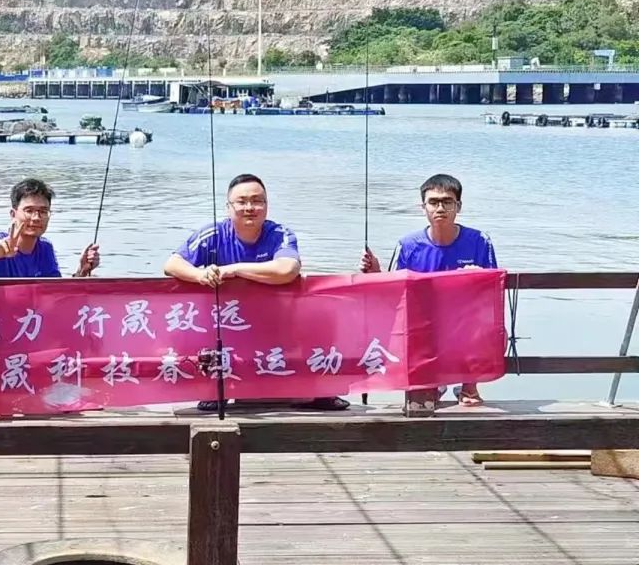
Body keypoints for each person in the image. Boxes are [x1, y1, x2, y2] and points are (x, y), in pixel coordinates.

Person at [164, 173, 350, 412]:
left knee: (322, 315)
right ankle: (216, 388)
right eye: (241, 202)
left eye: (257, 201)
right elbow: (172, 264)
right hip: (226, 320)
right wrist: (200, 275)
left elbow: (287, 269)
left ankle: (319, 390)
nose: (249, 208)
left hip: (276, 318)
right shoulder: (213, 234)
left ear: (266, 206)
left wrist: (233, 270)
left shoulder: (280, 234)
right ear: (228, 207)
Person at [360, 173, 498, 406]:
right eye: (433, 202)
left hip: (465, 320)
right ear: (423, 207)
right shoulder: (408, 245)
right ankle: (432, 383)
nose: (440, 208)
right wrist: (376, 273)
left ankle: (469, 385)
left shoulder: (480, 241)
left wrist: (478, 278)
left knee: (483, 322)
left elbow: (493, 290)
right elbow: (394, 291)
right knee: (408, 329)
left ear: (458, 206)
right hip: (424, 322)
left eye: (447, 202)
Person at [0, 178, 100, 279]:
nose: (36, 218)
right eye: (29, 211)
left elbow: (54, 293)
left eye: (43, 211)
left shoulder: (45, 248)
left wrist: (81, 271)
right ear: (13, 214)